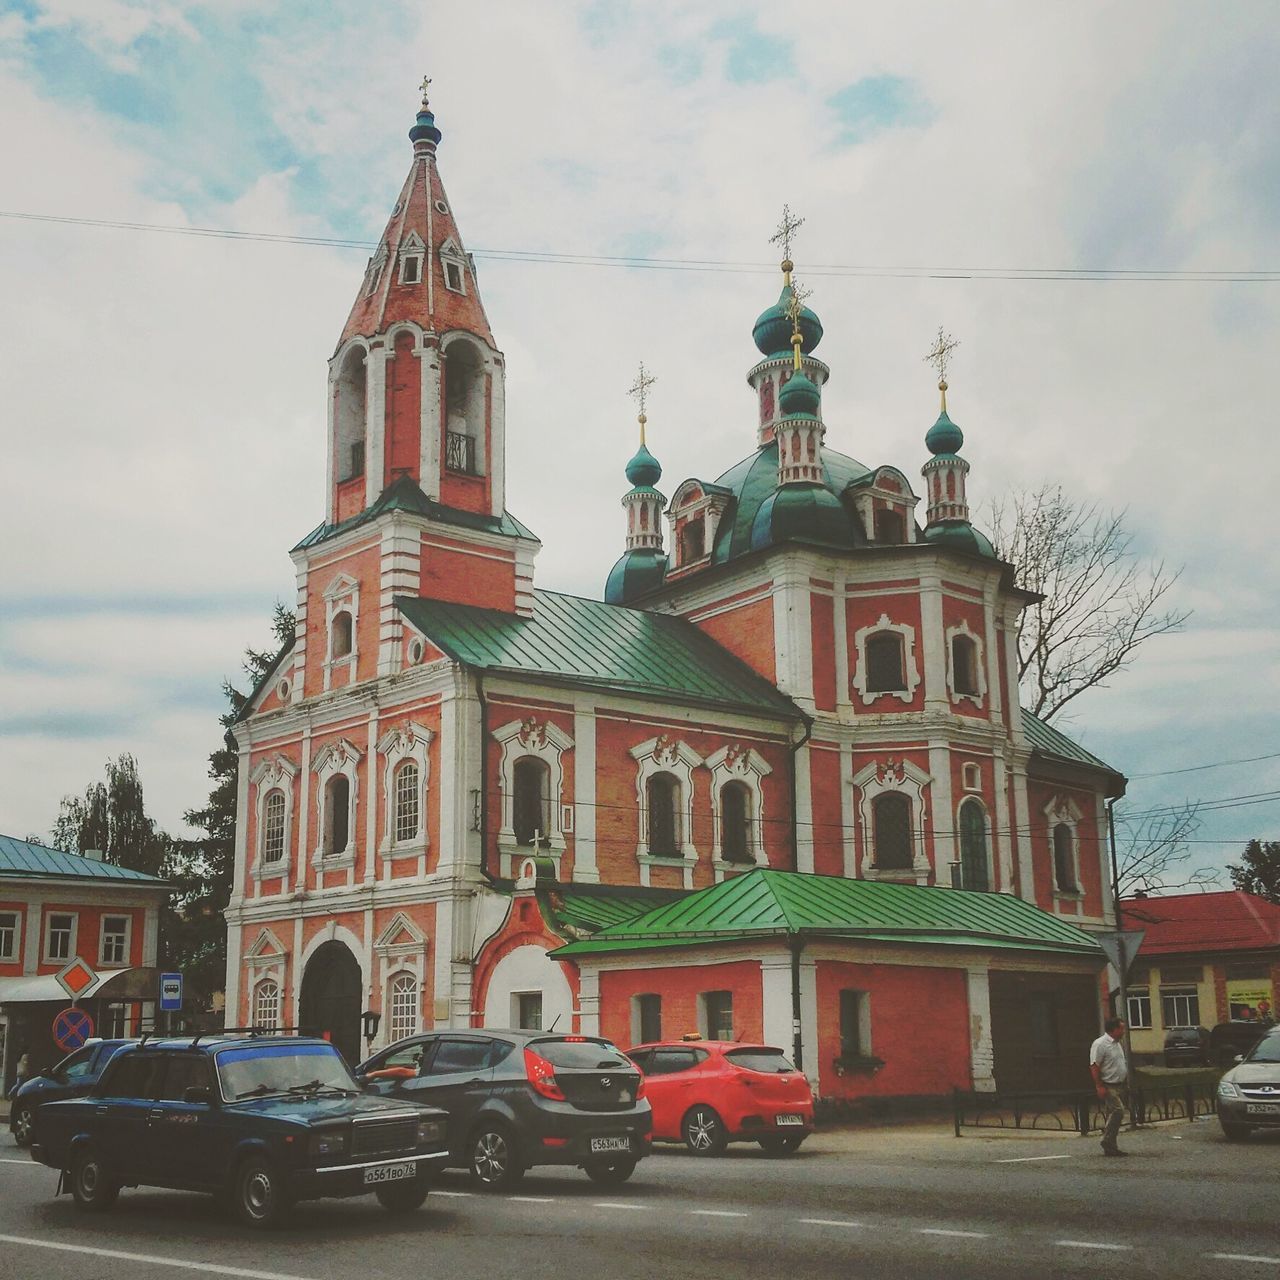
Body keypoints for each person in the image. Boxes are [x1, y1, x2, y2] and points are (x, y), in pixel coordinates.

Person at [1090, 1017, 1129, 1157]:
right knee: (1118, 1111)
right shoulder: (1100, 1044)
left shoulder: (1117, 1044)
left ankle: (1111, 1147)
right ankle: (1106, 1140)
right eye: (1121, 1028)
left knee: (1111, 1115)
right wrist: (1099, 1086)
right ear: (1113, 1029)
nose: (1123, 1031)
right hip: (1108, 1085)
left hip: (1118, 1084)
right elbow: (1094, 1065)